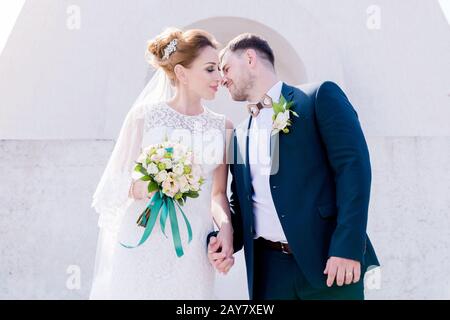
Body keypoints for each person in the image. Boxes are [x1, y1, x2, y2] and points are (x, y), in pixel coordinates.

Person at [208, 33, 380, 300]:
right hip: (269, 275)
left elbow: (354, 169)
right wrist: (224, 238)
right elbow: (240, 203)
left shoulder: (319, 96)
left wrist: (347, 247)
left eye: (226, 68)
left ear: (250, 58)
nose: (222, 78)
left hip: (329, 263)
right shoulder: (237, 135)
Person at [90, 27, 234, 299]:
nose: (219, 77)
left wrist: (226, 230)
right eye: (210, 69)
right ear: (181, 73)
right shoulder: (144, 117)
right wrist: (151, 186)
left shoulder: (222, 127)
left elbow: (217, 194)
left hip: (192, 249)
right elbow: (113, 185)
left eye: (219, 69)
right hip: (143, 236)